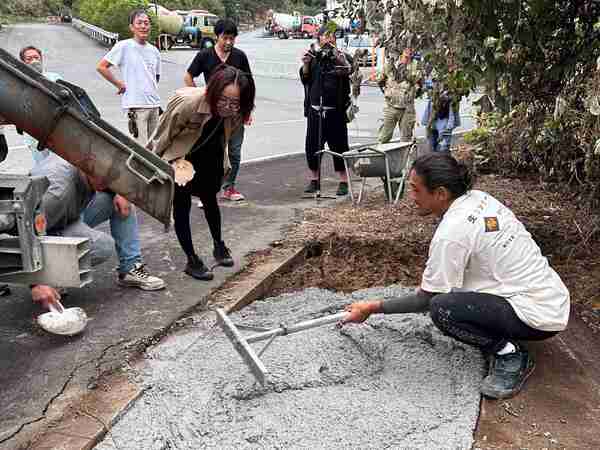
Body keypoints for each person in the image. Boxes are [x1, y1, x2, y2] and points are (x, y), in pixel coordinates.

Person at [343, 153, 570, 399]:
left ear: (440, 193)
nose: (412, 197)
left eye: (415, 190)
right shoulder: (480, 199)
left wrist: (370, 308)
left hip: (536, 316)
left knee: (443, 309)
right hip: (550, 296)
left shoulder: (452, 234)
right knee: (450, 291)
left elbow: (425, 300)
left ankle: (509, 352)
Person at [148, 66, 255, 281]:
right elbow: (162, 136)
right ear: (214, 91)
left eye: (235, 103)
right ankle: (191, 260)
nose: (228, 107)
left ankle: (219, 245)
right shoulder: (189, 103)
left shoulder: (236, 111)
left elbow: (228, 134)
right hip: (181, 157)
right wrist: (153, 166)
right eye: (223, 100)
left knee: (210, 200)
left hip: (210, 153)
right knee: (182, 204)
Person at [29, 153, 166, 311]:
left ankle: (130, 267)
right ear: (88, 168)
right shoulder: (55, 193)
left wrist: (120, 192)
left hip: (68, 215)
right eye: (108, 179)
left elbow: (110, 179)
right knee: (102, 246)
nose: (111, 182)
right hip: (43, 228)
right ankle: (52, 278)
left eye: (113, 179)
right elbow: (25, 233)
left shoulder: (90, 159)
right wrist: (38, 282)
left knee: (123, 203)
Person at [184, 18, 252, 204]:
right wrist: (200, 97)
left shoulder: (240, 57)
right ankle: (206, 190)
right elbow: (188, 76)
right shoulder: (205, 55)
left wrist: (247, 111)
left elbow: (249, 85)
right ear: (217, 36)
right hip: (213, 114)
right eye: (225, 38)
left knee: (235, 152)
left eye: (232, 38)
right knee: (211, 152)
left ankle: (229, 187)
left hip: (236, 115)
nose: (229, 42)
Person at [300, 24, 352, 196]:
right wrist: (306, 63)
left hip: (335, 110)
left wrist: (338, 58)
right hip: (315, 110)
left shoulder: (342, 56)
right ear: (319, 38)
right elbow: (305, 77)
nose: (329, 39)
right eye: (325, 35)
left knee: (339, 146)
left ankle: (344, 181)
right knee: (312, 146)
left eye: (332, 36)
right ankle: (314, 179)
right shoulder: (314, 57)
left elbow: (348, 71)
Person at [97, 9, 161, 146]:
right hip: (136, 106)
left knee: (155, 149)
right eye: (139, 23)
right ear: (132, 27)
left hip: (154, 105)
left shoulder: (154, 51)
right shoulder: (124, 46)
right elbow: (102, 67)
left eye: (146, 23)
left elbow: (156, 77)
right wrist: (119, 84)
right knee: (141, 149)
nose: (143, 26)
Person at [377, 47, 422, 144]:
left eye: (410, 50)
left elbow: (418, 82)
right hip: (391, 106)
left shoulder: (416, 66)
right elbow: (380, 80)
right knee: (384, 137)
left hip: (407, 108)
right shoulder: (390, 65)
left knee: (406, 139)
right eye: (405, 49)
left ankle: (405, 158)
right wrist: (387, 93)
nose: (408, 53)